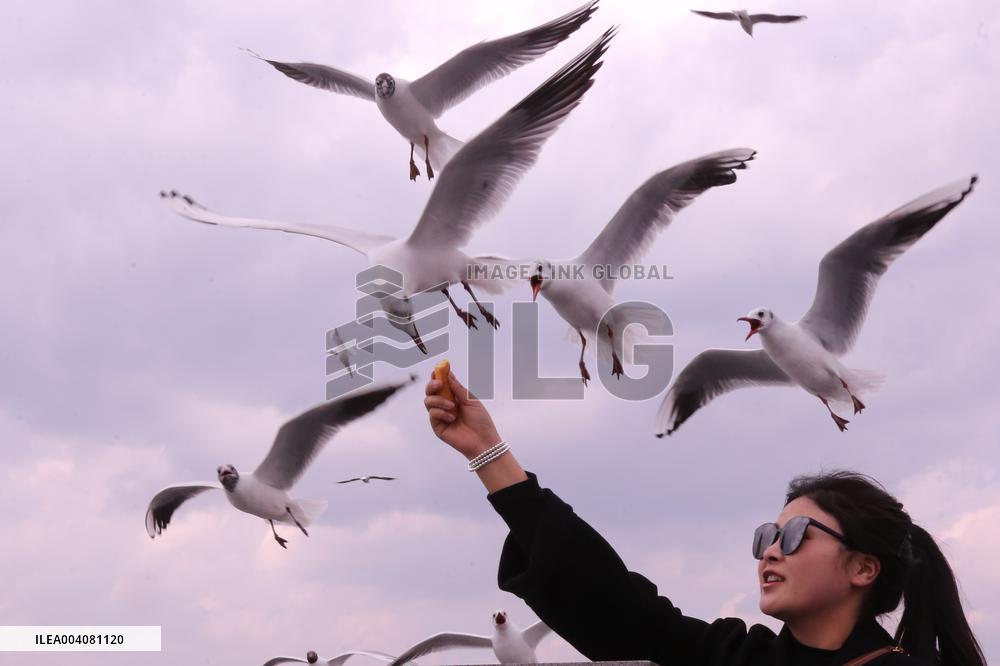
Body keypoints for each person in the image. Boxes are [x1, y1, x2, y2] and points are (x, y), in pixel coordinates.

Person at [423, 372, 986, 666]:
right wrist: (488, 452)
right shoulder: (739, 662)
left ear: (864, 568)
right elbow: (612, 604)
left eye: (792, 536)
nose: (769, 551)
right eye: (766, 536)